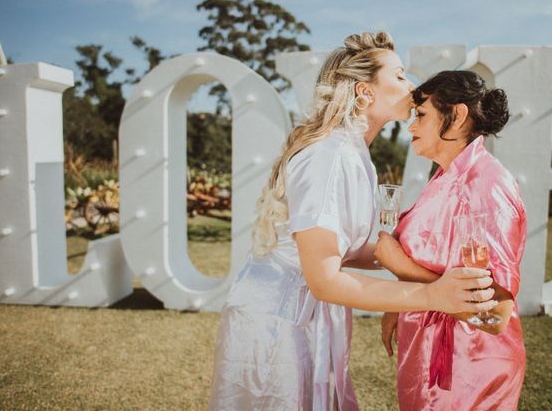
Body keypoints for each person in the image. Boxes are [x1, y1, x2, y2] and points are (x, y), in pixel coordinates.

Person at [208, 34, 498, 411]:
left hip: (306, 317)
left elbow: (347, 248)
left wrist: (415, 260)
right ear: (365, 92)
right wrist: (432, 296)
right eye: (399, 76)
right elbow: (325, 277)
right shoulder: (329, 156)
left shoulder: (354, 153)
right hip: (278, 325)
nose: (412, 88)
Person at [374, 70, 527, 410]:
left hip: (469, 371)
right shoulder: (447, 176)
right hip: (429, 362)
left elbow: (494, 314)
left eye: (421, 115)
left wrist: (399, 265)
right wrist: (396, 306)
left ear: (456, 116)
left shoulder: (487, 187)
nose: (411, 127)